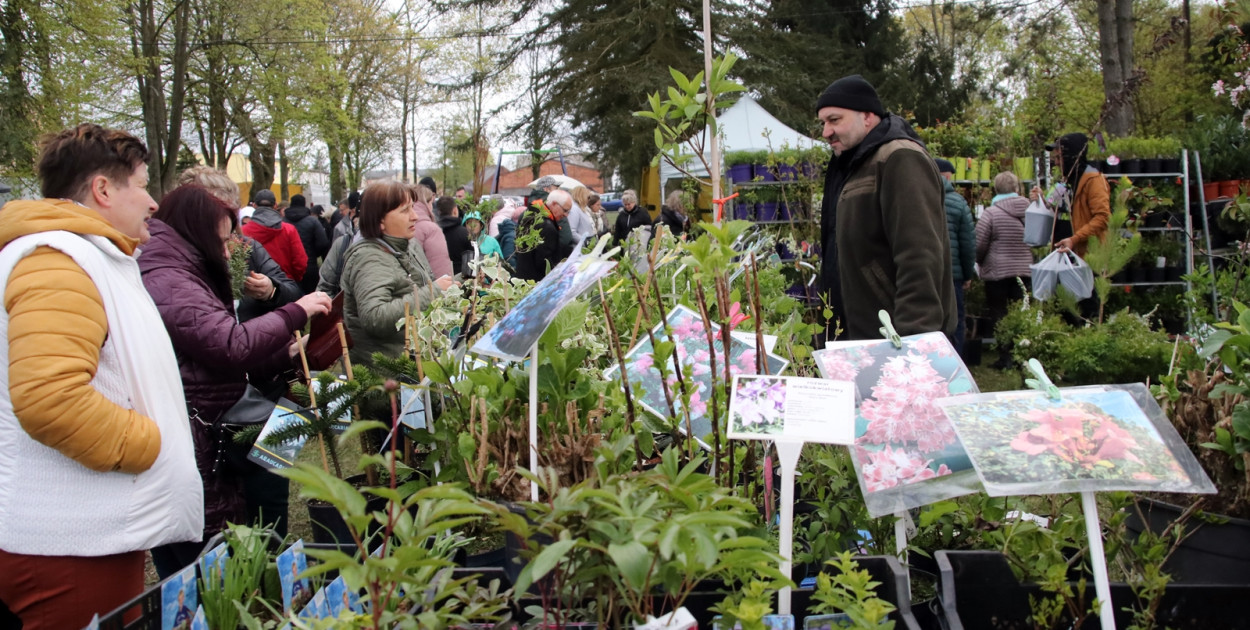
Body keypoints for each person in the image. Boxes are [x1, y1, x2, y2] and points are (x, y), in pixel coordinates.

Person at [0, 123, 202, 629]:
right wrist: (151, 447)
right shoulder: (57, 262)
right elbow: (50, 397)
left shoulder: (84, 256)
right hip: (66, 542)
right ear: (103, 189)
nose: (153, 202)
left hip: (89, 530)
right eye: (140, 183)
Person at [139, 185, 331, 577]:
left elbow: (216, 350)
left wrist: (284, 349)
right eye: (222, 238)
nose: (229, 251)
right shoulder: (171, 279)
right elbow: (228, 344)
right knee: (207, 557)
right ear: (196, 227)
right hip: (207, 425)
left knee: (269, 482)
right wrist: (295, 311)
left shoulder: (190, 269)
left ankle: (269, 560)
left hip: (229, 405)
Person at [816, 74, 956, 342]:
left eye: (835, 120)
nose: (826, 132)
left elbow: (919, 252)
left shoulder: (899, 157)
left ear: (867, 117)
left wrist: (915, 337)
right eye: (823, 123)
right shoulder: (853, 163)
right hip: (862, 334)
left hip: (895, 336)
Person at [340, 180, 456, 367]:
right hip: (386, 374)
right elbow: (375, 317)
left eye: (413, 208)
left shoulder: (408, 245)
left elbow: (422, 285)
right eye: (405, 211)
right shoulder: (369, 258)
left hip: (411, 364)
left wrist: (457, 283)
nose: (415, 216)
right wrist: (433, 292)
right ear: (380, 221)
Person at [978, 171, 1034, 368]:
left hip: (997, 272)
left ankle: (1005, 358)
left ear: (996, 189)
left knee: (999, 314)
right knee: (1020, 313)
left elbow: (980, 243)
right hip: (1024, 269)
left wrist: (979, 262)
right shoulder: (1030, 211)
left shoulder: (991, 213)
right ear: (1017, 189)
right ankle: (1022, 355)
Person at [1030, 132, 1110, 257]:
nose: (1056, 163)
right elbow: (1055, 206)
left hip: (1087, 257)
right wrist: (1041, 199)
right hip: (1062, 254)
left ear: (1071, 157)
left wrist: (1075, 239)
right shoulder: (1065, 180)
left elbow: (1103, 218)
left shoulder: (1093, 180)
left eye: (1059, 158)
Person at [935, 159, 976, 355]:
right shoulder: (958, 203)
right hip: (954, 274)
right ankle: (956, 361)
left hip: (927, 271)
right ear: (947, 176)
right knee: (956, 319)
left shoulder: (918, 197)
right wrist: (968, 274)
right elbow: (967, 243)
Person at [242, 189, 307, 283]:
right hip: (285, 284)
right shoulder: (289, 230)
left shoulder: (243, 231)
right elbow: (300, 261)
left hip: (253, 286)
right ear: (275, 205)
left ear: (254, 205)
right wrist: (293, 280)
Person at [515, 189, 574, 281]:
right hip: (536, 281)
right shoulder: (547, 226)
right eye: (565, 210)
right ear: (554, 204)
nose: (566, 215)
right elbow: (544, 262)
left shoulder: (530, 214)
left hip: (522, 276)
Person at [284, 194, 330, 294]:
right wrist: (314, 254)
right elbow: (323, 243)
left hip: (287, 269)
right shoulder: (313, 221)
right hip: (309, 266)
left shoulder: (282, 222)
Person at [411, 184, 453, 278]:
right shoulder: (431, 229)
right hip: (430, 287)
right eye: (431, 203)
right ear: (427, 203)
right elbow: (440, 267)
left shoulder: (400, 225)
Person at [531, 176, 574, 250]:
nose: (558, 191)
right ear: (546, 189)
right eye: (556, 188)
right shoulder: (556, 207)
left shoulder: (530, 206)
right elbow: (566, 239)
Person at [435, 195, 472, 275]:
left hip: (438, 279)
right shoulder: (465, 233)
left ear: (439, 212)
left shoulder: (434, 232)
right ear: (455, 210)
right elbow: (472, 261)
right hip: (461, 278)